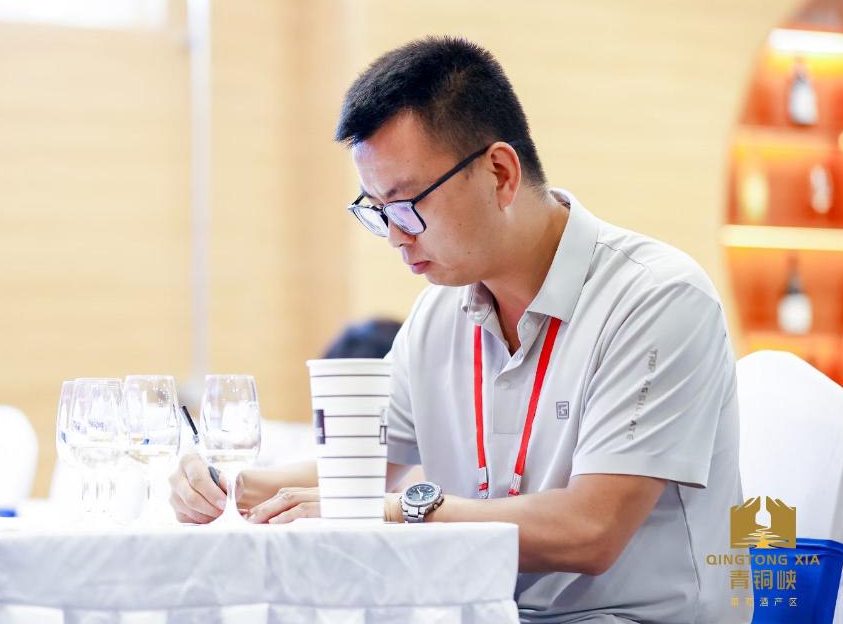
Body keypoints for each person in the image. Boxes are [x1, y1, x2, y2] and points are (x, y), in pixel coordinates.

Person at [170, 37, 744, 623]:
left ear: (500, 173)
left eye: (406, 204)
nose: (396, 236)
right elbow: (357, 470)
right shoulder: (438, 314)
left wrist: (397, 511)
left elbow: (590, 531)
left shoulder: (656, 298)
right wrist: (230, 484)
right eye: (378, 211)